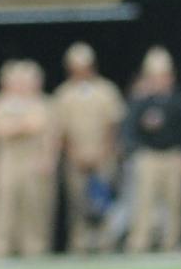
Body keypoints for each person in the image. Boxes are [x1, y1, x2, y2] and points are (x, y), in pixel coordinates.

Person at [52, 43, 128, 253]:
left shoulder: (106, 90)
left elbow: (113, 124)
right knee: (78, 204)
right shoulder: (64, 94)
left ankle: (106, 244)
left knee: (104, 202)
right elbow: (60, 130)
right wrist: (75, 155)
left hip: (103, 155)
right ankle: (80, 245)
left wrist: (104, 151)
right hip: (76, 158)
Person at [124, 49, 181, 253]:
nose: (158, 81)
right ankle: (140, 243)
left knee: (174, 202)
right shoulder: (140, 100)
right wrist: (135, 152)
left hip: (173, 155)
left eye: (162, 76)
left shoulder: (180, 99)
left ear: (170, 77)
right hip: (148, 156)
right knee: (144, 202)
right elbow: (128, 128)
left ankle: (171, 242)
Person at [0, 60, 59, 258]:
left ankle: (35, 249)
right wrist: (26, 125)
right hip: (7, 161)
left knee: (35, 207)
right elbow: (0, 130)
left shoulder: (45, 104)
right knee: (4, 206)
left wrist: (48, 159)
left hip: (34, 160)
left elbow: (51, 134)